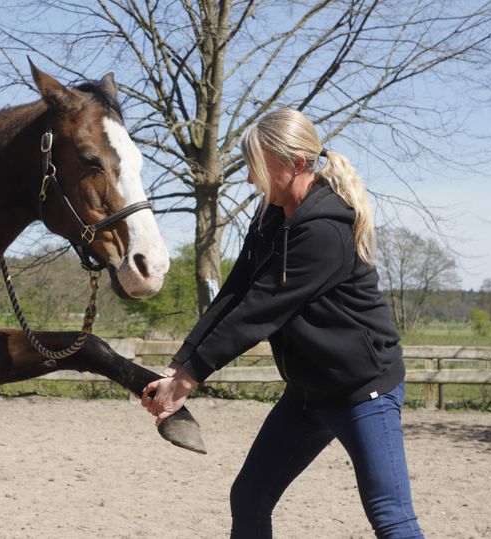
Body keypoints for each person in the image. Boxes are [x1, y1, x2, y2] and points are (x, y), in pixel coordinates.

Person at [141, 107, 424, 538]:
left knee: (390, 515)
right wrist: (179, 366)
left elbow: (259, 310)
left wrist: (190, 379)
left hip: (363, 391)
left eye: (258, 168)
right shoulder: (271, 217)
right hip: (308, 394)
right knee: (250, 497)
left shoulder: (326, 231)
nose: (251, 180)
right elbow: (234, 293)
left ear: (294, 164)